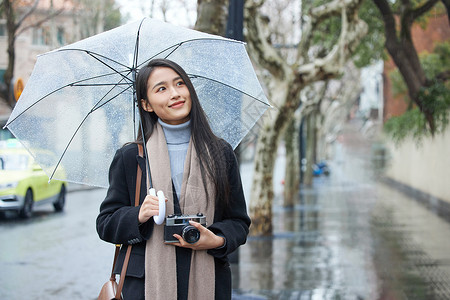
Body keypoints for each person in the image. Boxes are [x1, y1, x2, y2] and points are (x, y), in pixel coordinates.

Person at [96, 58, 251, 300]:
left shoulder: (220, 153)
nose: (175, 94)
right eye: (162, 88)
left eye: (180, 84)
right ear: (146, 105)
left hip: (208, 280)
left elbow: (239, 222)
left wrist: (217, 239)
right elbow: (105, 223)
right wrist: (138, 214)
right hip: (147, 286)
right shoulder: (131, 157)